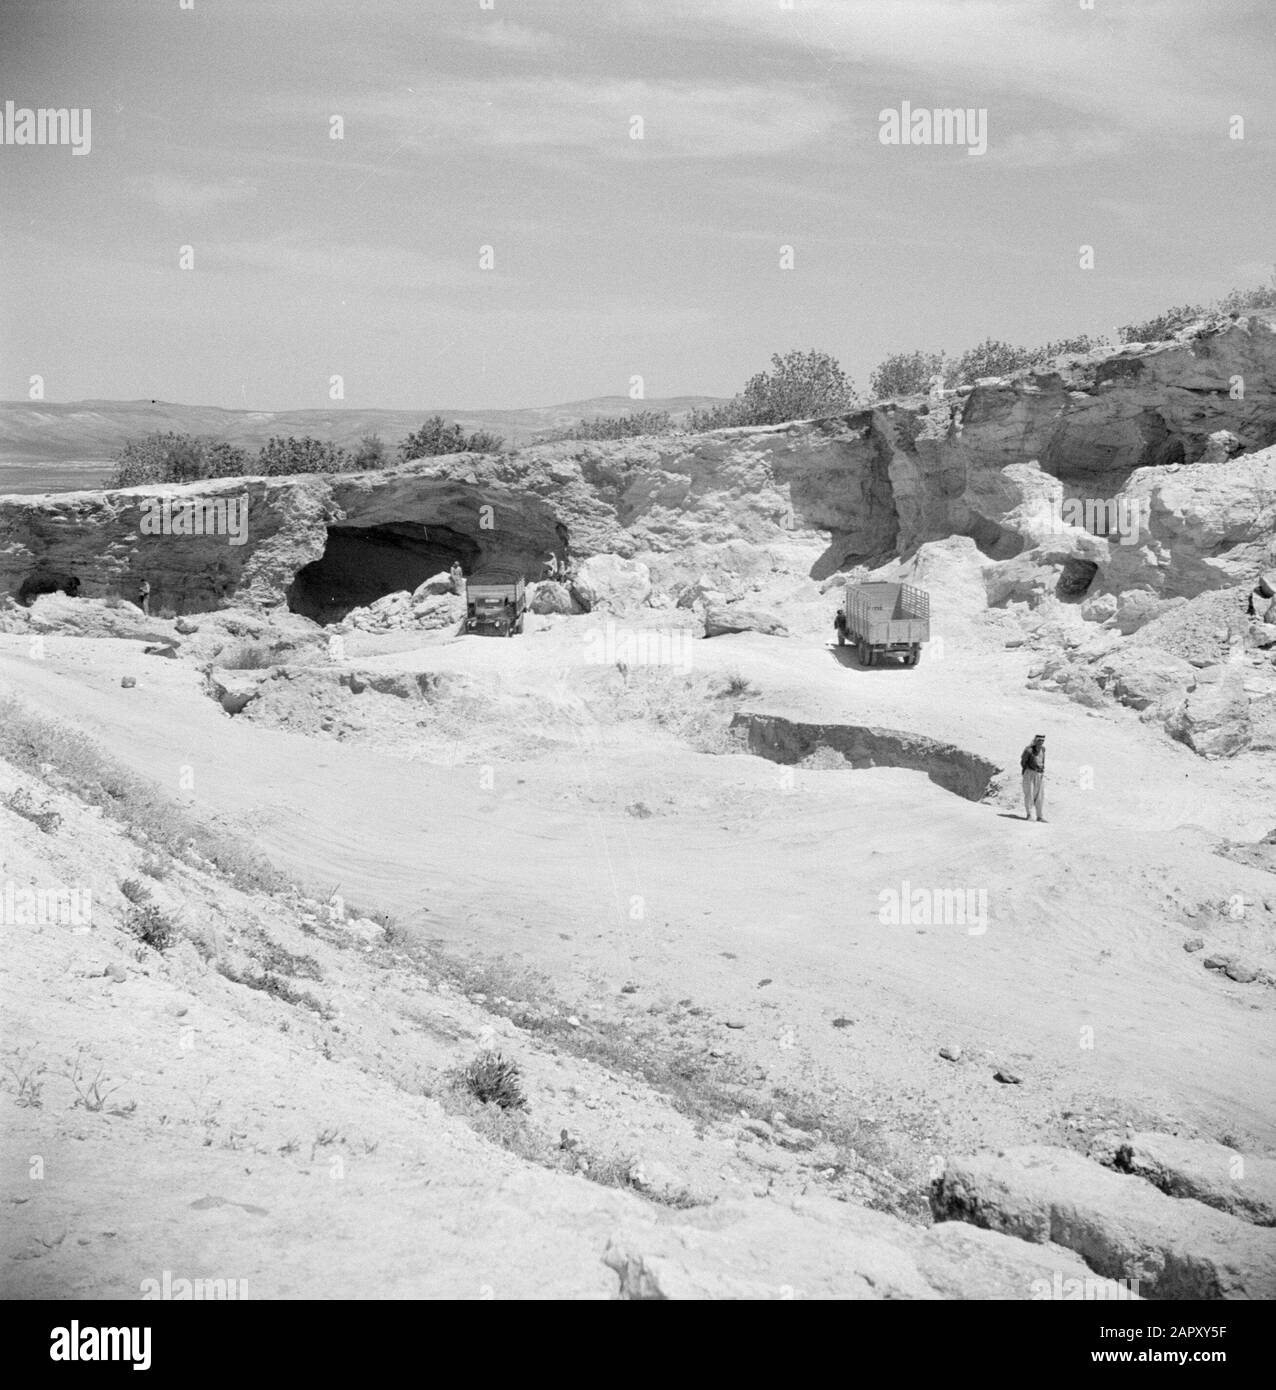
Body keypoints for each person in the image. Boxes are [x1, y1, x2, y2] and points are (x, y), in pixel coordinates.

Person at [1020, 734, 1046, 822]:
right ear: (1035, 741)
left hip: (1039, 774)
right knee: (1029, 794)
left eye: (1042, 741)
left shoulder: (1043, 749)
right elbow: (1023, 762)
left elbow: (1042, 760)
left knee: (1040, 796)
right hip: (1030, 773)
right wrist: (1027, 770)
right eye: (1039, 741)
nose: (1041, 742)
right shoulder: (1028, 750)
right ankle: (1029, 814)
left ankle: (1040, 816)